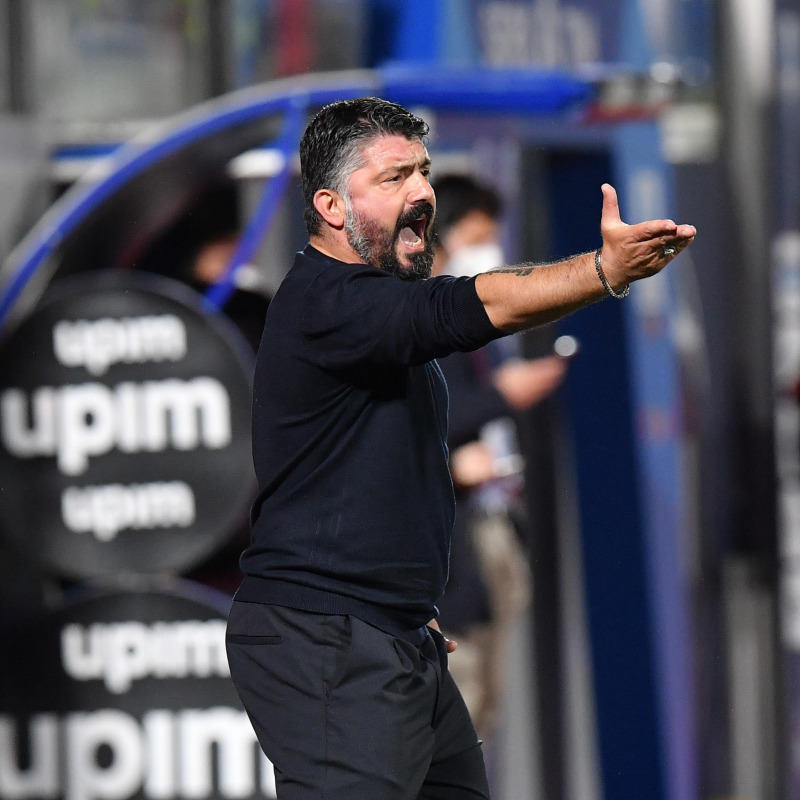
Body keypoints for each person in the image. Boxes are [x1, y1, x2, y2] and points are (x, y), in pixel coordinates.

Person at [225, 96, 695, 800]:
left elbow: (374, 469)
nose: (421, 194)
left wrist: (409, 603)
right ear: (329, 206)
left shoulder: (376, 310)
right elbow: (475, 305)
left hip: (394, 631)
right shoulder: (329, 303)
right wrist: (605, 269)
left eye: (423, 172)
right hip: (326, 641)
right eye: (393, 179)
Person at [431, 174, 568, 742]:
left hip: (482, 553)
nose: (489, 248)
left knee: (479, 721)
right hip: (444, 583)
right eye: (479, 234)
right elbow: (409, 431)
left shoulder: (460, 319)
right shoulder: (407, 325)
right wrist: (502, 396)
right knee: (447, 733)